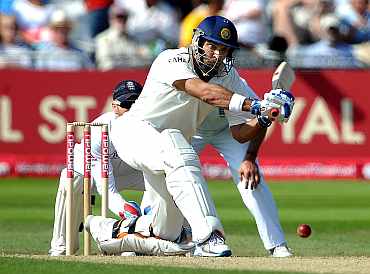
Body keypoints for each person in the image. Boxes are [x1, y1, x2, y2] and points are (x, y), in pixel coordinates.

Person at [108, 15, 294, 257]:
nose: (217, 55)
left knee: (164, 228)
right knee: (178, 151)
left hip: (170, 145)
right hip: (137, 133)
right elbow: (207, 93)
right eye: (213, 46)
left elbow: (240, 132)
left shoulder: (228, 76)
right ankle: (208, 237)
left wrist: (265, 116)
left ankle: (120, 234)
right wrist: (258, 105)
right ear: (197, 41)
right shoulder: (171, 59)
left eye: (224, 50)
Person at [48, 79, 145, 256]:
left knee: (168, 179)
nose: (132, 109)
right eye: (127, 104)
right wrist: (125, 211)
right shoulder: (100, 132)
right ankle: (61, 246)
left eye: (136, 103)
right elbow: (107, 189)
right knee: (69, 179)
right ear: (115, 107)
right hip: (89, 175)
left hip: (128, 171)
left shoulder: (149, 125)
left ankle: (154, 237)